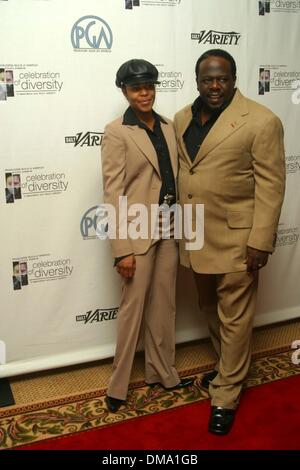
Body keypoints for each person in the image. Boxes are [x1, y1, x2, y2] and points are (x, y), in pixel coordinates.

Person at [174, 49, 285, 435]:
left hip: (239, 240)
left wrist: (261, 241)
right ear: (197, 80)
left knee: (235, 319)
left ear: (235, 78)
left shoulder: (262, 121)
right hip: (195, 234)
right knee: (208, 308)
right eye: (207, 79)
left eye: (222, 78)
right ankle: (228, 368)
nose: (215, 85)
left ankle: (226, 393)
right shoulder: (181, 118)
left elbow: (272, 186)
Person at [101, 59, 193, 413]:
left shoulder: (169, 126)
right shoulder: (117, 131)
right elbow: (113, 193)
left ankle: (163, 374)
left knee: (164, 306)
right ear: (124, 91)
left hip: (170, 226)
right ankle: (118, 385)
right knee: (132, 309)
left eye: (150, 86)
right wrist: (120, 249)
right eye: (137, 88)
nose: (145, 93)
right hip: (137, 232)